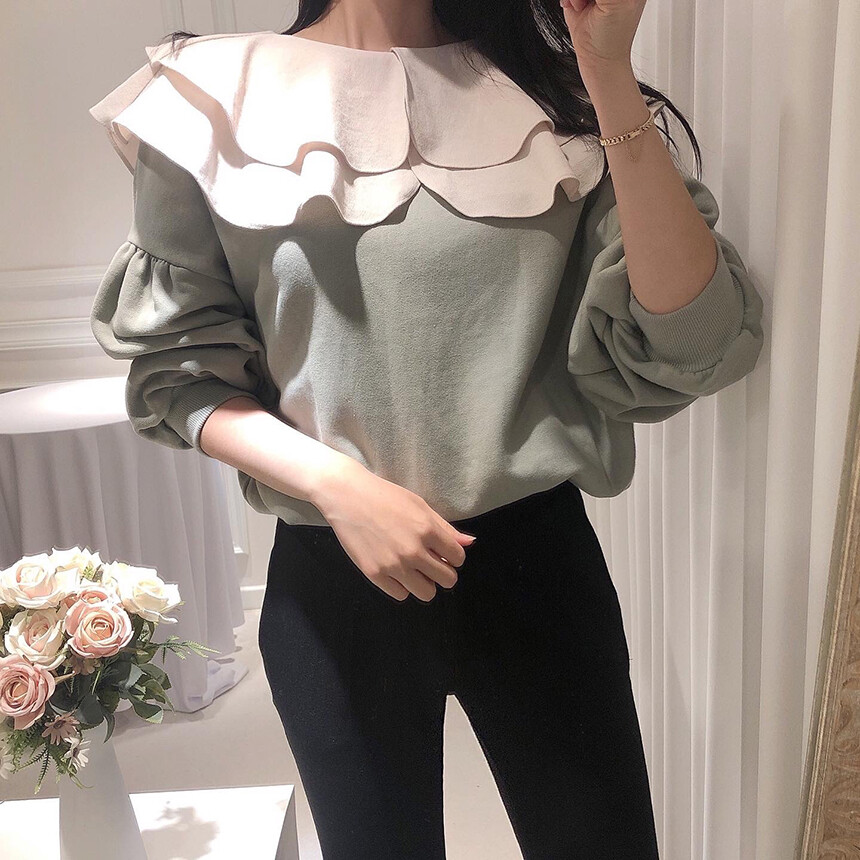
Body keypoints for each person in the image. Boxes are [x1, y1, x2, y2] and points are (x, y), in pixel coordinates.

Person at [87, 1, 765, 857]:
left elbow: (695, 338)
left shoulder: (555, 97)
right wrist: (339, 485)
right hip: (336, 580)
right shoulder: (212, 94)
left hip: (538, 571)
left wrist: (608, 75)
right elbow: (177, 373)